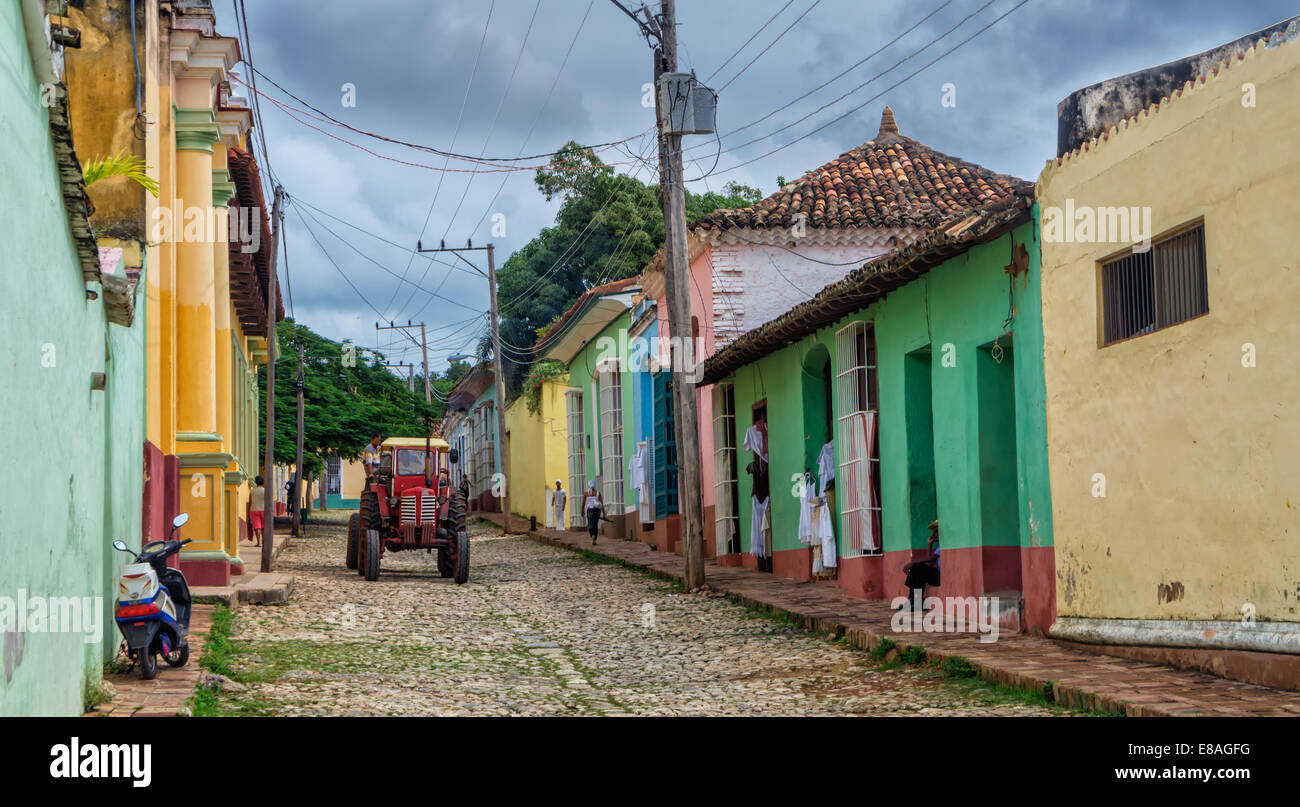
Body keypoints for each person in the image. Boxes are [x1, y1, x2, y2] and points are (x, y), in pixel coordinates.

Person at [901, 520, 940, 610]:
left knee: (917, 566)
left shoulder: (944, 544)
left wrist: (913, 563)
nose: (934, 534)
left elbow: (932, 558)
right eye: (933, 532)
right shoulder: (939, 545)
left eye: (936, 531)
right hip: (937, 575)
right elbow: (929, 560)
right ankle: (912, 599)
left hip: (941, 577)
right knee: (918, 567)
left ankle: (916, 601)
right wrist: (929, 545)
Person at [249, 475, 266, 547]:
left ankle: (259, 543)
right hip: (264, 510)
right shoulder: (265, 491)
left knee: (257, 527)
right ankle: (264, 542)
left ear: (256, 482)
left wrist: (248, 512)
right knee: (263, 527)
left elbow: (250, 501)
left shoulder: (252, 491)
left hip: (254, 510)